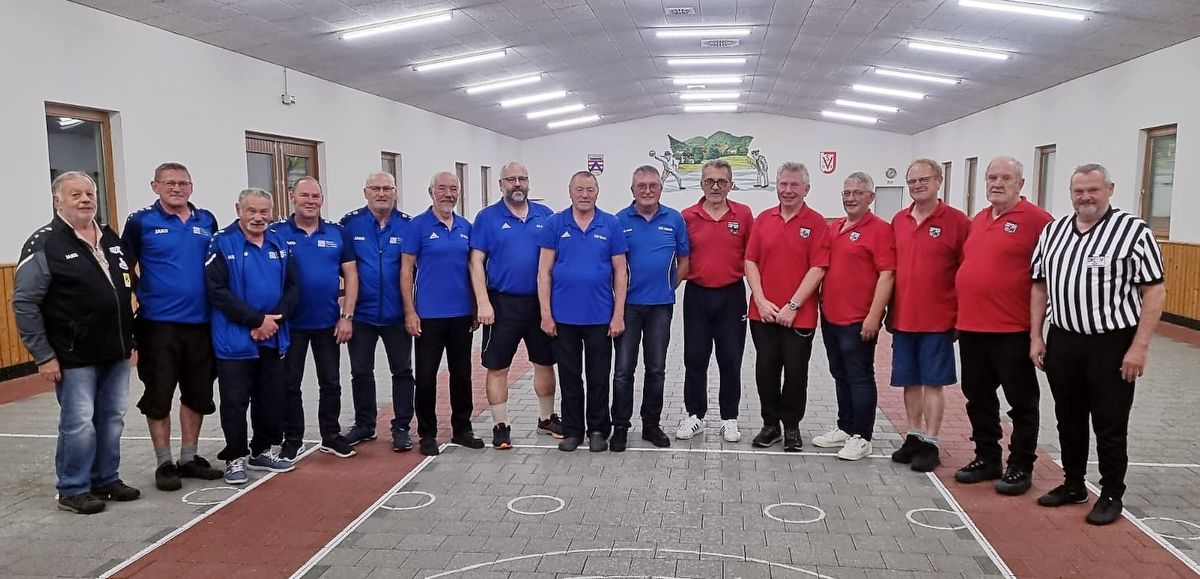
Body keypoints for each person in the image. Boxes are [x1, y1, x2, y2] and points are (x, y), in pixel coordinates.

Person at [1031, 163, 1165, 525]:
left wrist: (1139, 347)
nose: (1085, 197)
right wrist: (1036, 335)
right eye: (1079, 191)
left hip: (1112, 343)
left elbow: (1154, 291)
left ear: (1110, 189)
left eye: (1093, 190)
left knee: (1110, 423)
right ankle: (1073, 484)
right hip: (1064, 340)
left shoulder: (1133, 232)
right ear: (1070, 193)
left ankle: (1110, 494)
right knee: (1068, 418)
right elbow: (1039, 285)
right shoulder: (1053, 232)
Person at [14, 171, 140, 514]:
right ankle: (72, 489)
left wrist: (131, 337)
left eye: (89, 193)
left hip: (115, 350)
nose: (85, 199)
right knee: (79, 422)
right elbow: (25, 303)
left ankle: (105, 478)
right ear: (58, 201)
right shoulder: (44, 243)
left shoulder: (110, 237)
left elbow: (124, 287)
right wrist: (43, 355)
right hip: (73, 354)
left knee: (112, 418)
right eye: (76, 194)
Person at [953, 156, 1053, 494]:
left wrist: (1038, 331)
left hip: (1013, 330)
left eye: (1005, 178)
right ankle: (987, 457)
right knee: (977, 397)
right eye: (992, 177)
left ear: (1020, 183)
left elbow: (1049, 276)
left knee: (1021, 402)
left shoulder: (1038, 221)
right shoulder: (979, 219)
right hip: (972, 329)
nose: (997, 184)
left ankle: (1021, 465)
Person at [121, 162, 223, 491]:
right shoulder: (140, 221)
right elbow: (123, 267)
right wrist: (142, 293)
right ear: (155, 186)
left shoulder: (206, 220)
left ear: (191, 187)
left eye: (183, 183)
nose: (176, 189)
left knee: (197, 393)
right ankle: (164, 462)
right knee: (159, 394)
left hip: (201, 324)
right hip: (157, 325)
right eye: (169, 183)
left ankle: (189, 457)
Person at [205, 188, 299, 484]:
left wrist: (274, 320)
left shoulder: (279, 241)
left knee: (270, 398)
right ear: (238, 210)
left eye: (263, 212)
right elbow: (217, 291)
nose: (258, 217)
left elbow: (293, 287)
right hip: (235, 341)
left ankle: (261, 450)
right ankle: (235, 457)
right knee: (235, 402)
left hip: (273, 336)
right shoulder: (222, 242)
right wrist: (256, 321)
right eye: (251, 211)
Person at [469, 162, 562, 450]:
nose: (517, 184)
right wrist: (482, 302)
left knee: (544, 363)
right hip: (502, 303)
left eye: (522, 178)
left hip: (539, 303)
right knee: (498, 366)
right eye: (511, 179)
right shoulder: (487, 217)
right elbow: (476, 262)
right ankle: (500, 425)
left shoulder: (546, 215)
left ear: (528, 182)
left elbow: (557, 259)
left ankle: (546, 418)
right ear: (501, 185)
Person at [538, 171, 629, 452]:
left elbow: (620, 271)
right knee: (570, 377)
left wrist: (618, 314)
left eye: (590, 189)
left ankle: (599, 430)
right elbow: (544, 272)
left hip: (600, 316)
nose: (585, 195)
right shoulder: (555, 224)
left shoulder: (611, 224)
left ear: (597, 192)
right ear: (570, 192)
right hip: (563, 317)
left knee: (598, 377)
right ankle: (573, 431)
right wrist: (546, 314)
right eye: (579, 189)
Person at [889, 158, 970, 472]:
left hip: (938, 319)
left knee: (933, 383)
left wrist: (959, 315)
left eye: (924, 179)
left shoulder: (958, 222)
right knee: (909, 381)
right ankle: (913, 435)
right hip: (903, 318)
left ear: (939, 181)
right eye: (912, 181)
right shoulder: (898, 220)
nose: (917, 185)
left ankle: (931, 441)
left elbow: (968, 271)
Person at [270, 177, 359, 459]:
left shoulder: (337, 232)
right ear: (292, 197)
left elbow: (351, 275)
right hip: (290, 324)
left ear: (322, 200)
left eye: (315, 196)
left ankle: (330, 436)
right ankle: (292, 438)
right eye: (304, 195)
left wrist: (347, 317)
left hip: (328, 323)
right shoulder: (276, 233)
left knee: (331, 383)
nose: (310, 201)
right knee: (289, 384)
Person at [744, 162, 830, 452]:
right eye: (783, 184)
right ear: (776, 186)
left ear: (807, 189)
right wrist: (760, 300)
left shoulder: (816, 223)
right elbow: (750, 261)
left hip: (799, 316)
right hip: (763, 314)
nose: (788, 190)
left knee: (796, 372)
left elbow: (818, 268)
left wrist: (793, 305)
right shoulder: (763, 219)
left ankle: (792, 427)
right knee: (766, 370)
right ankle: (770, 425)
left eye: (795, 185)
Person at [813, 171, 895, 461]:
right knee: (840, 374)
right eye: (846, 193)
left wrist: (874, 316)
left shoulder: (880, 230)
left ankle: (862, 437)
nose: (851, 198)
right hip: (831, 317)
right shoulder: (835, 227)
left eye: (858, 193)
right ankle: (845, 427)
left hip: (859, 320)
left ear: (870, 197)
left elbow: (887, 274)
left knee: (860, 377)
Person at [403, 172, 483, 456]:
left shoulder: (466, 227)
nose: (448, 194)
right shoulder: (417, 226)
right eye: (442, 189)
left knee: (461, 374)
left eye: (453, 189)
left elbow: (474, 268)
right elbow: (406, 271)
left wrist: (476, 306)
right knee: (426, 377)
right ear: (431, 192)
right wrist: (410, 311)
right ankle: (427, 434)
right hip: (428, 316)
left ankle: (462, 428)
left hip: (461, 315)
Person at [612, 165, 690, 451]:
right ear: (632, 190)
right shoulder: (619, 220)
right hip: (628, 307)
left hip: (660, 308)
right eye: (641, 186)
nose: (647, 190)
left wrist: (669, 287)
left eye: (652, 185)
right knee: (623, 370)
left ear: (660, 188)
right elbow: (613, 265)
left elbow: (684, 260)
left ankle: (651, 425)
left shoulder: (674, 219)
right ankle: (620, 426)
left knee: (656, 369)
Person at [678, 159, 754, 443]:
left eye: (722, 181)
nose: (715, 186)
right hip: (697, 295)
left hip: (732, 296)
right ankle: (694, 415)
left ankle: (729, 418)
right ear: (701, 184)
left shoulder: (743, 214)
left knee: (731, 359)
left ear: (731, 184)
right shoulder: (687, 216)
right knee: (694, 358)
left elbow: (753, 257)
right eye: (710, 181)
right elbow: (678, 258)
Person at [340, 172, 415, 452]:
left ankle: (402, 427)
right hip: (362, 314)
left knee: (403, 371)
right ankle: (364, 424)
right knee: (361, 371)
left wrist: (412, 310)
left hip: (397, 313)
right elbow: (340, 267)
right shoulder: (350, 224)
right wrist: (343, 309)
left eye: (387, 188)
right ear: (366, 192)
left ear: (395, 192)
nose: (381, 193)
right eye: (376, 188)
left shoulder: (408, 225)